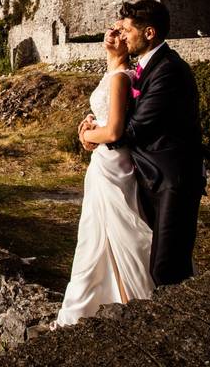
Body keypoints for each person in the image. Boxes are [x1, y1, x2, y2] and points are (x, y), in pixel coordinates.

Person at [91, 0, 207, 287]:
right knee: (148, 256)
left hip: (173, 179)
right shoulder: (146, 67)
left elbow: (134, 128)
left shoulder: (168, 69)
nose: (123, 36)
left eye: (127, 30)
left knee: (168, 267)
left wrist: (91, 135)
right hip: (148, 175)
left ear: (149, 33)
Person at [51, 20, 155, 329]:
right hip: (104, 160)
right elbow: (106, 122)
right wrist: (88, 130)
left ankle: (129, 297)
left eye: (120, 32)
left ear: (126, 43)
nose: (112, 34)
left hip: (112, 163)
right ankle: (106, 297)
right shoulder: (111, 74)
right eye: (111, 29)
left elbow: (114, 130)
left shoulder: (122, 77)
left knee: (116, 232)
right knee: (97, 235)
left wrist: (87, 136)